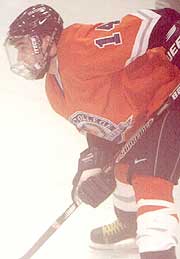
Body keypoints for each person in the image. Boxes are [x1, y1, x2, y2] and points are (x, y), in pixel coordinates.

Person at [4, 4, 180, 259]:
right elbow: (105, 132)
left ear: (46, 40)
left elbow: (157, 24)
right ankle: (130, 226)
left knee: (149, 180)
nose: (20, 58)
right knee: (121, 168)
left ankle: (158, 250)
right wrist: (92, 167)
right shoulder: (54, 91)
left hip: (168, 96)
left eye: (23, 47)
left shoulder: (78, 47)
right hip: (143, 116)